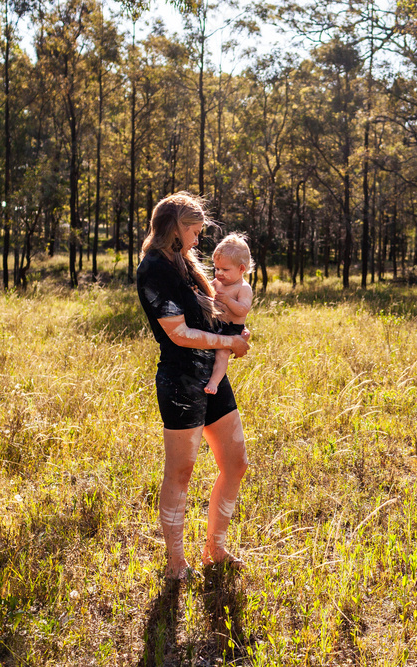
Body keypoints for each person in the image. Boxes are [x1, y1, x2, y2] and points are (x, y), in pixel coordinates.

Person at [136, 192, 251, 579]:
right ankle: (176, 563)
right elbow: (179, 334)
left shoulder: (184, 262)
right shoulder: (154, 269)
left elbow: (208, 313)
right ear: (176, 228)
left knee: (236, 463)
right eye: (195, 231)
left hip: (211, 376)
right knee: (180, 472)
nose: (198, 239)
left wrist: (235, 329)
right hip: (181, 381)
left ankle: (214, 549)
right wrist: (228, 342)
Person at [205, 233, 254, 396]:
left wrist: (228, 301)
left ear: (241, 269)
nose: (219, 273)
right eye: (216, 268)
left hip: (232, 328)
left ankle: (214, 382)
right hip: (217, 324)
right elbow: (207, 291)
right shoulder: (217, 282)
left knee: (222, 353)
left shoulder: (243, 288)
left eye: (225, 269)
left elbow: (243, 310)